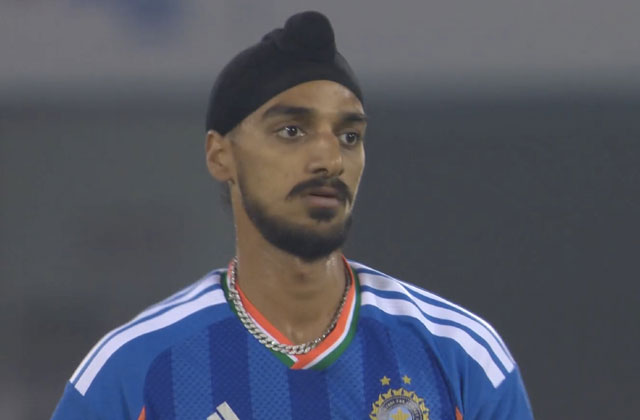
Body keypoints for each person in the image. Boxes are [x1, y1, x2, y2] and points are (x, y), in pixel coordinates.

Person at [51, 11, 534, 420]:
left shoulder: (461, 356)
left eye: (349, 136)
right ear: (220, 155)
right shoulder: (134, 371)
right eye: (291, 131)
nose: (330, 159)